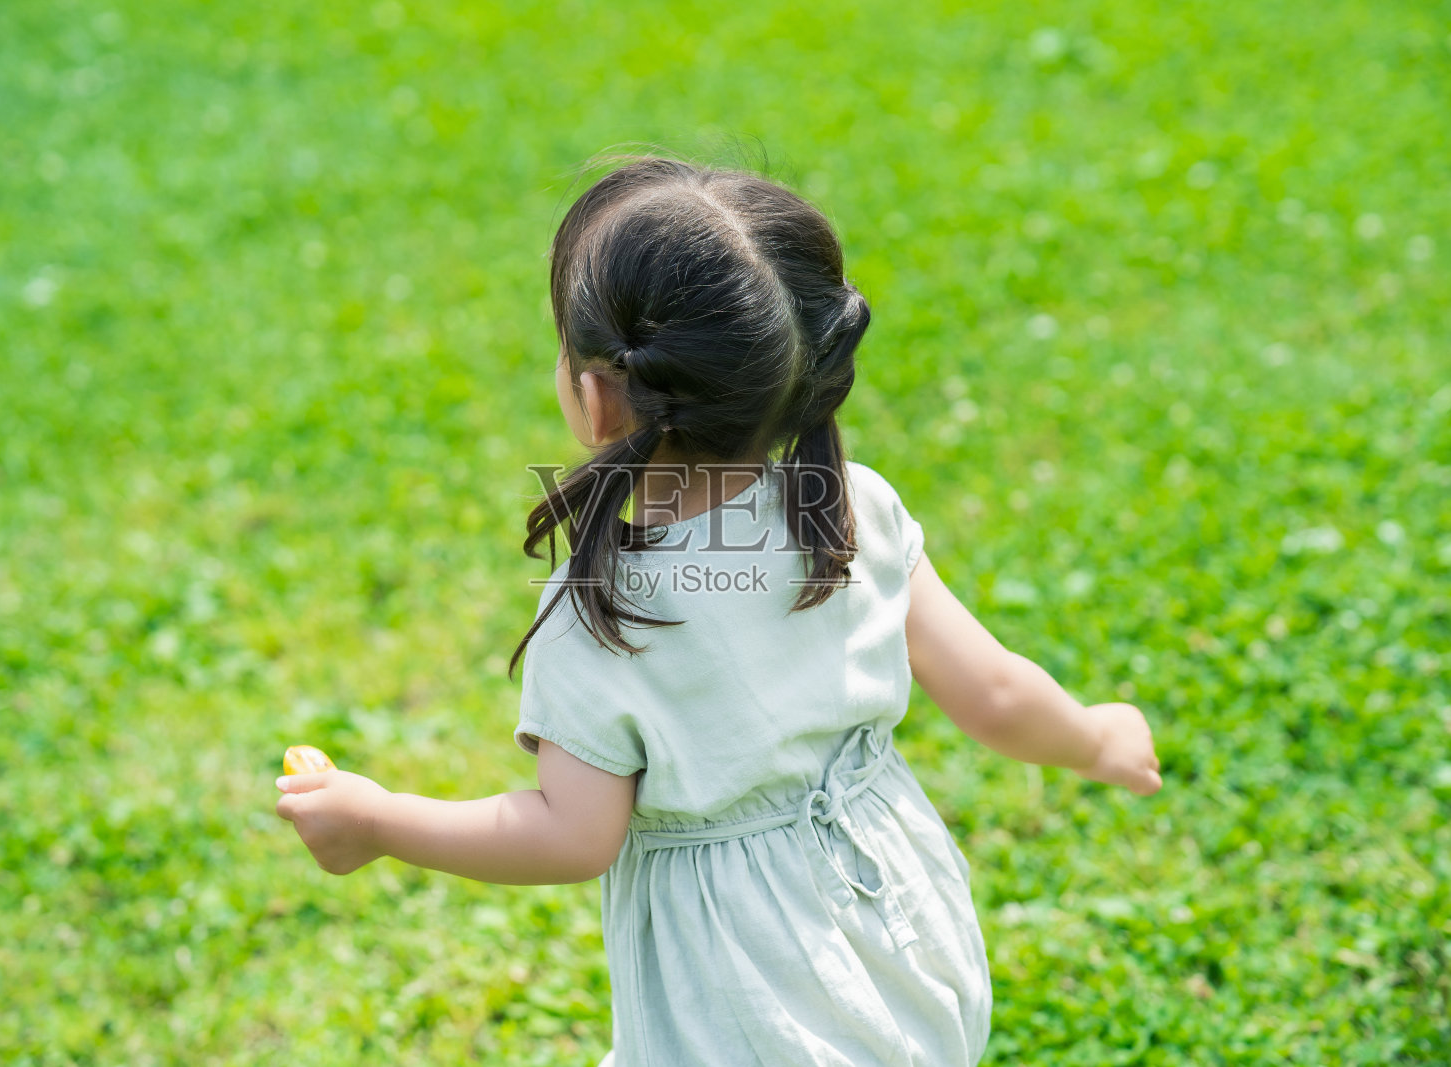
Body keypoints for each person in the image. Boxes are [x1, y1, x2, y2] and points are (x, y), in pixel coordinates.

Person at [275, 156, 1163, 1066]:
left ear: (594, 397)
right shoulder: (850, 509)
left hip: (739, 1003)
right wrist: (1097, 737)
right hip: (903, 940)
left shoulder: (605, 609)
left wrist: (380, 819)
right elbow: (997, 693)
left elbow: (573, 834)